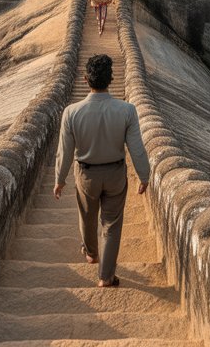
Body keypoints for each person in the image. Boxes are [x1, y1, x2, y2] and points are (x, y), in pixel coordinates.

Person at [54, 53, 150, 288]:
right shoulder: (127, 110)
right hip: (116, 174)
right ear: (110, 79)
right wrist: (144, 175)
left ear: (86, 79)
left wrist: (60, 178)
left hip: (86, 174)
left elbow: (65, 151)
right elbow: (136, 148)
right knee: (112, 224)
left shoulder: (71, 112)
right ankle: (106, 276)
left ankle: (91, 252)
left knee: (87, 216)